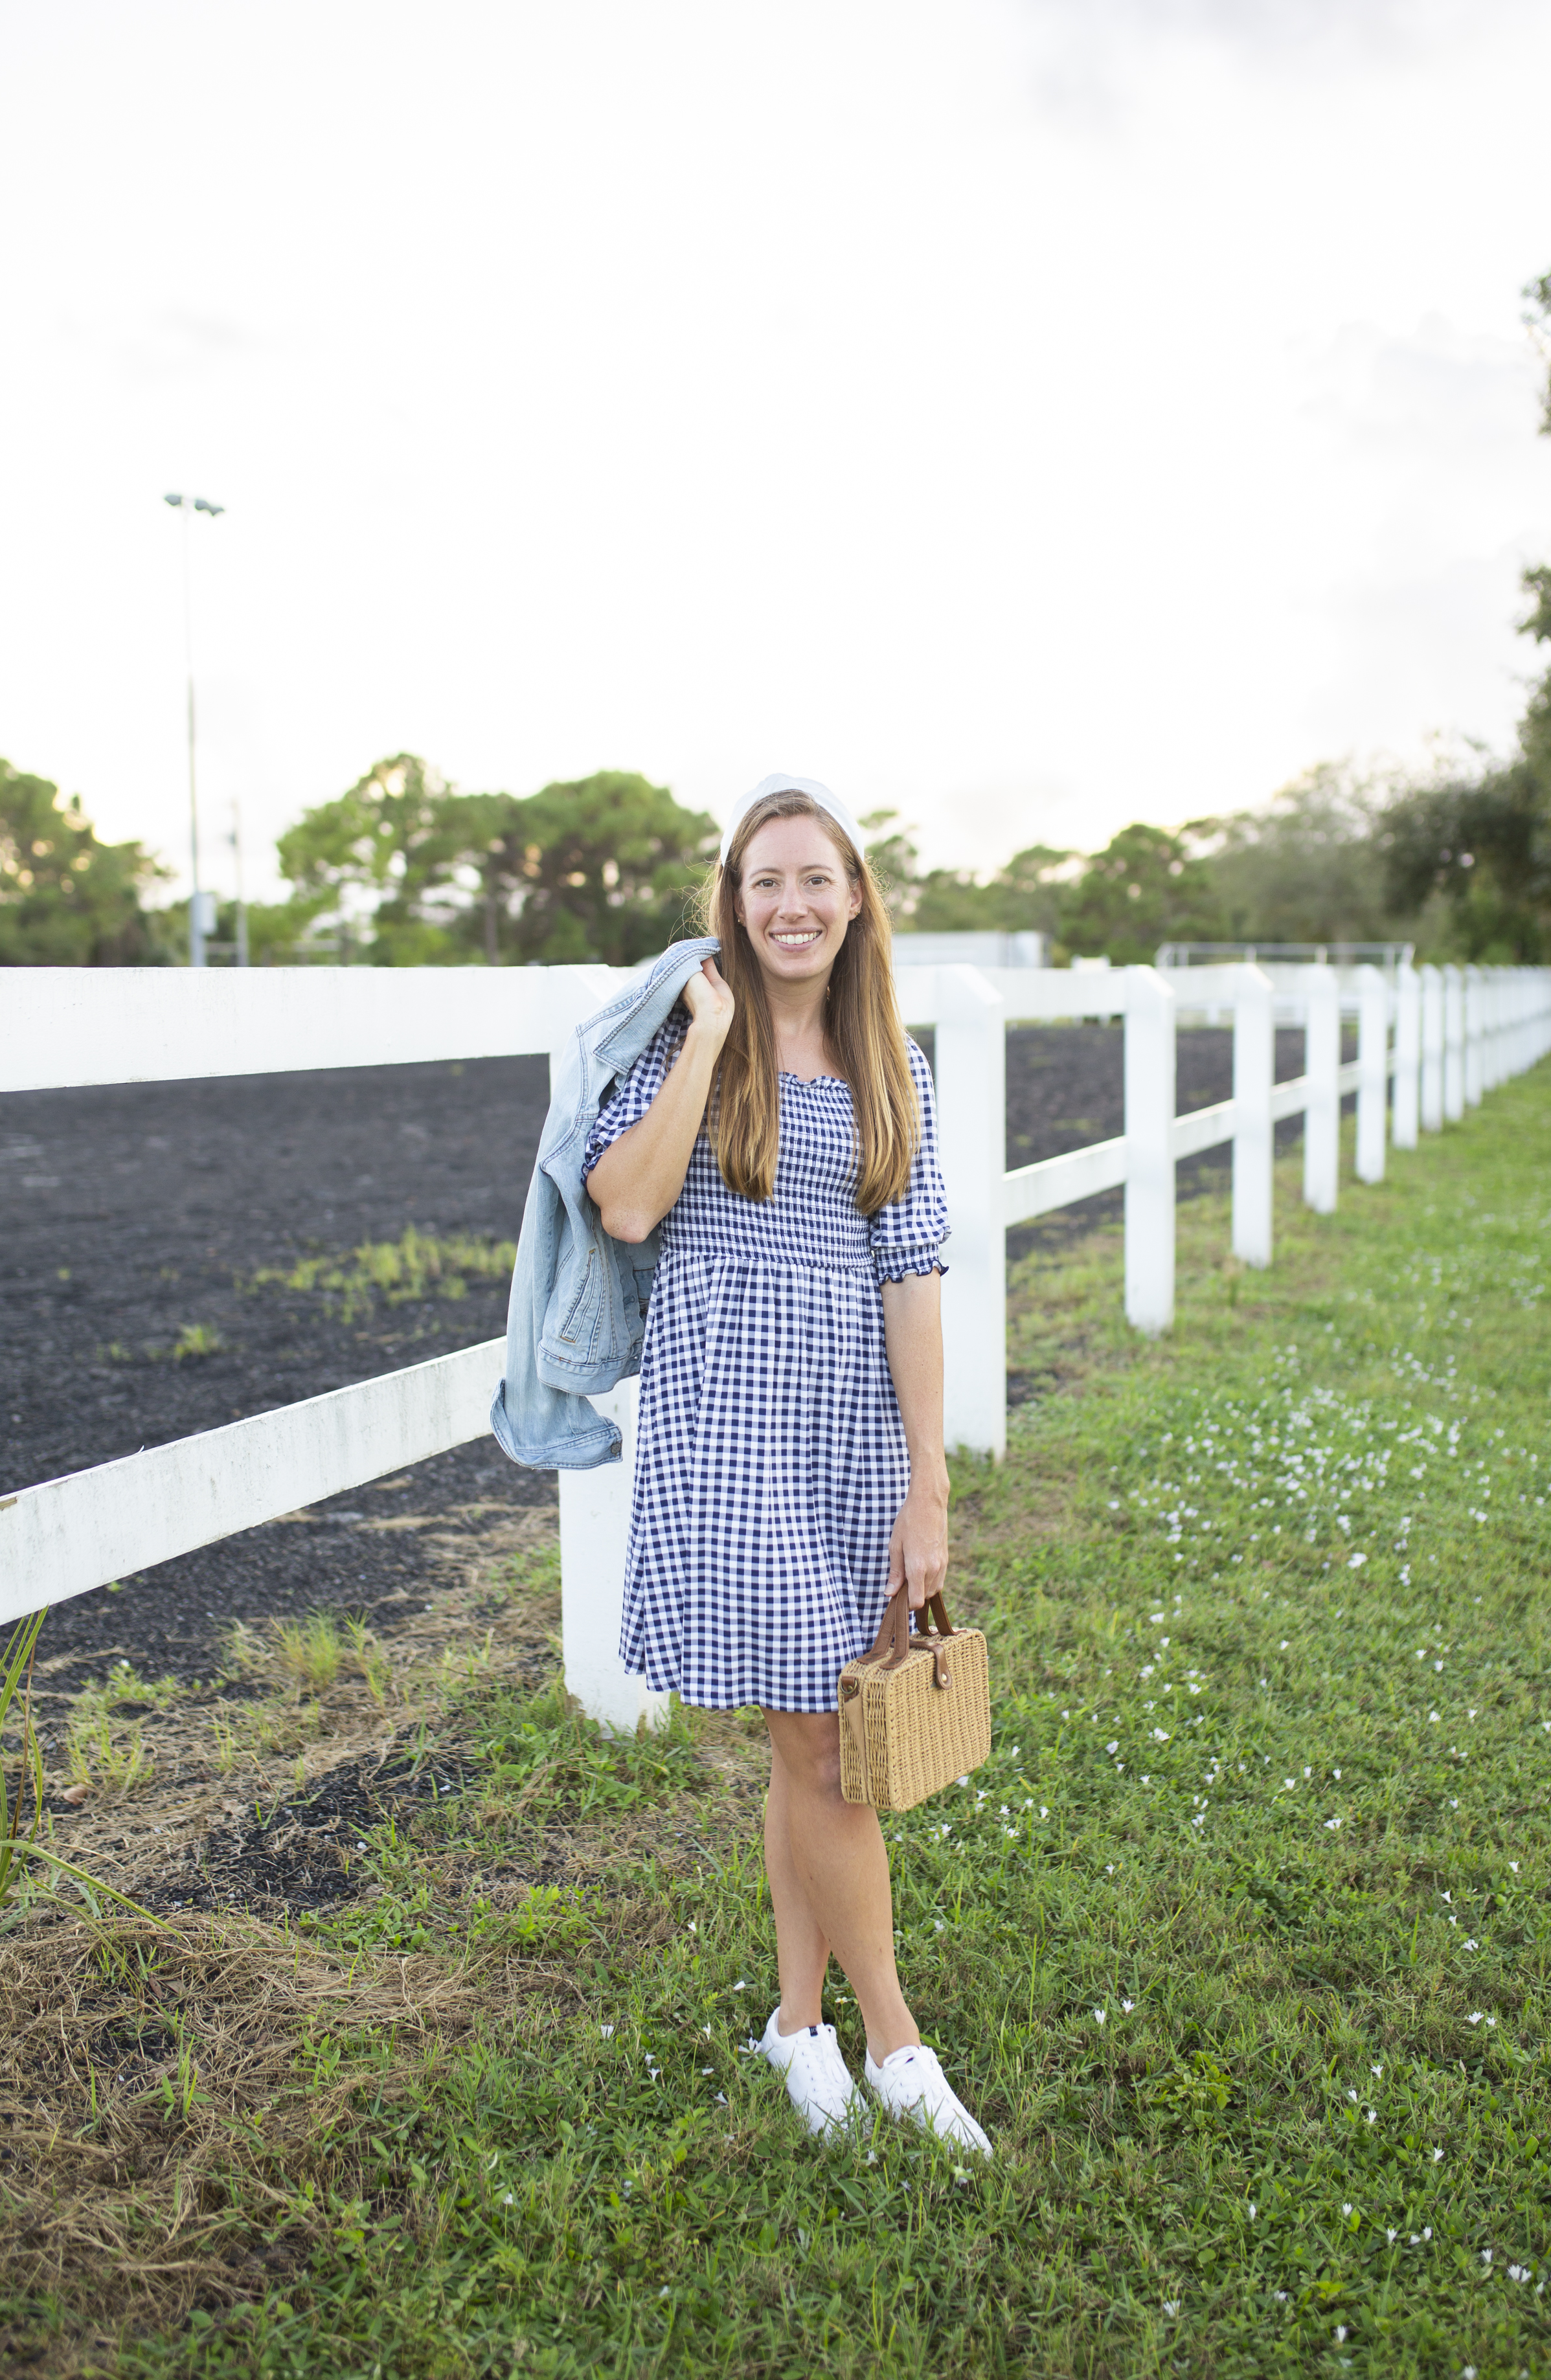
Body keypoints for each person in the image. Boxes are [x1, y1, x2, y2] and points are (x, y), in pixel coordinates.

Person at [583, 773, 991, 2154]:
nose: (791, 904)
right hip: (726, 1423)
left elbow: (912, 1271)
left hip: (852, 1431)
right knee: (819, 1745)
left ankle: (794, 2026)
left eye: (814, 878)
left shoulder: (895, 1062)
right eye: (764, 881)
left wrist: (925, 1479)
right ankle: (896, 2043)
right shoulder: (682, 1037)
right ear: (733, 900)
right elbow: (627, 1209)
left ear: (855, 895)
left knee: (807, 1745)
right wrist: (706, 1036)